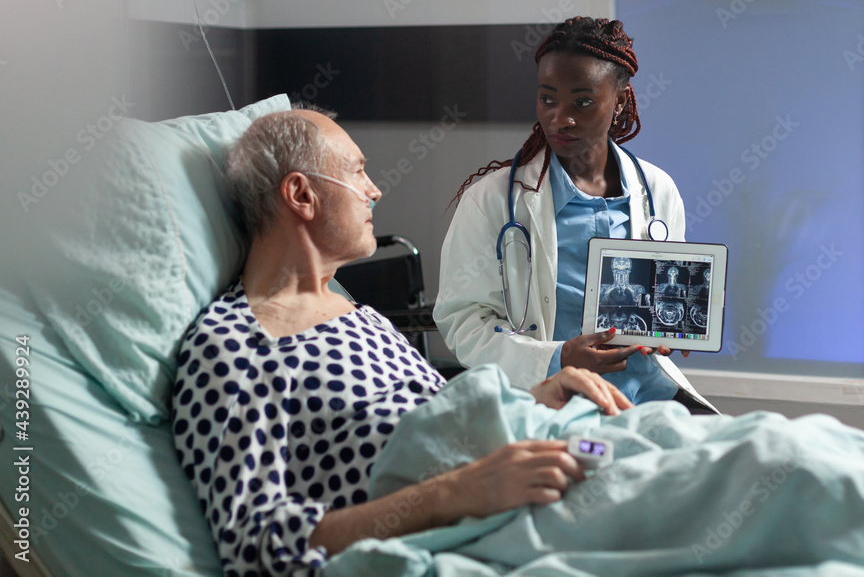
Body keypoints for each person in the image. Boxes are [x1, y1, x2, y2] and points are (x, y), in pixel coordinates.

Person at [171, 108, 632, 576]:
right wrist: (462, 492)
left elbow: (441, 418)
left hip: (531, 460)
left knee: (672, 450)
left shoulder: (361, 317)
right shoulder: (233, 347)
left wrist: (537, 399)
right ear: (301, 194)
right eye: (357, 171)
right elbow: (253, 544)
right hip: (488, 522)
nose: (375, 188)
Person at [434, 16, 713, 410]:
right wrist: (558, 357)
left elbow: (664, 295)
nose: (559, 118)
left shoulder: (658, 189)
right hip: (555, 400)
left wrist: (672, 329)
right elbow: (463, 323)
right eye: (548, 98)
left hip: (650, 396)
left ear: (619, 100)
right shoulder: (492, 201)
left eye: (582, 102)